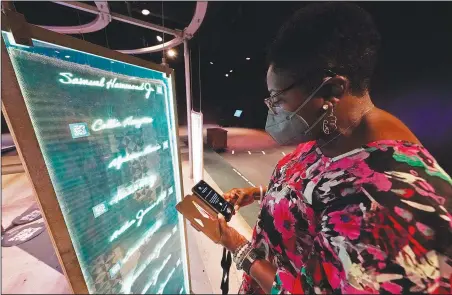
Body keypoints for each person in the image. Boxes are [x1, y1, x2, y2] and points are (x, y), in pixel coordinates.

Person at [216, 2, 452, 294]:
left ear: (333, 89)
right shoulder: (331, 134)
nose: (272, 109)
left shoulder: (386, 199)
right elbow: (317, 192)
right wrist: (259, 195)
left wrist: (239, 249)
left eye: (278, 98)